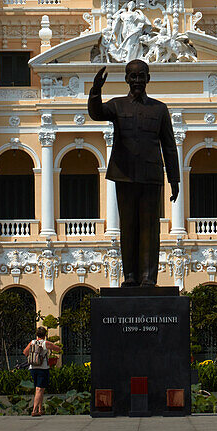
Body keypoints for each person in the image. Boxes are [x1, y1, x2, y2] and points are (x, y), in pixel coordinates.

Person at [88, 59, 179, 286]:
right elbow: (96, 113)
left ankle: (148, 277)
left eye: (141, 76)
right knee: (128, 226)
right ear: (126, 79)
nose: (137, 80)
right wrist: (95, 91)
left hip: (151, 177)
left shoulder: (159, 109)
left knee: (150, 228)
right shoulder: (117, 105)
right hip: (124, 174)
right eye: (133, 76)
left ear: (148, 79)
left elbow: (169, 145)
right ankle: (129, 276)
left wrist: (174, 179)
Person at [23, 326, 62, 416]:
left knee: (40, 388)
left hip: (32, 368)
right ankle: (34, 410)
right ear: (45, 335)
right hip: (43, 368)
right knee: (39, 389)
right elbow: (57, 349)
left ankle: (40, 409)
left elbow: (25, 352)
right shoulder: (45, 343)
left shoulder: (32, 342)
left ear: (37, 335)